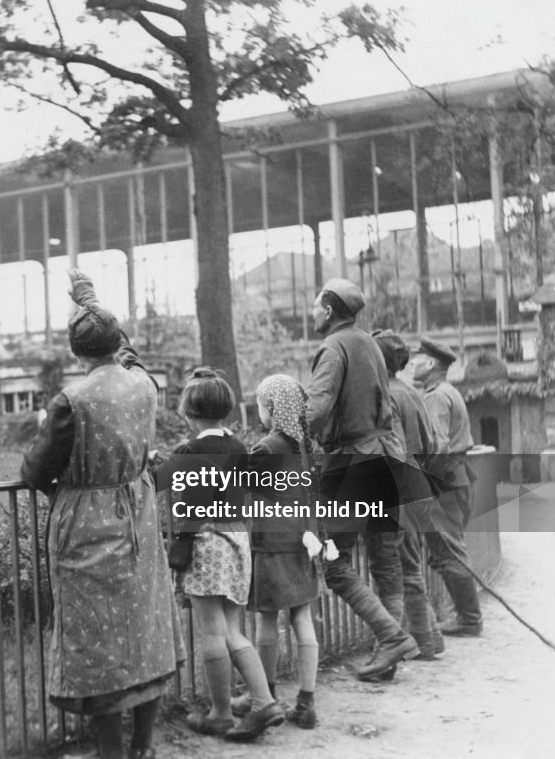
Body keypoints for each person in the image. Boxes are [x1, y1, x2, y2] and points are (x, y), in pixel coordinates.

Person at [21, 269, 183, 759]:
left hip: (88, 524)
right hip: (139, 513)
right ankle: (143, 748)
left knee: (98, 636)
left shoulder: (70, 401)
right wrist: (89, 298)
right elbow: (126, 349)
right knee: (145, 627)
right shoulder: (144, 384)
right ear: (115, 345)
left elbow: (34, 470)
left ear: (76, 353)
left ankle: (112, 752)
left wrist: (42, 429)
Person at [306, 278, 419, 680]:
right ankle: (387, 657)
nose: (312, 312)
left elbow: (316, 408)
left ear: (330, 312)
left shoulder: (334, 347)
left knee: (335, 564)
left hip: (355, 461)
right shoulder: (370, 344)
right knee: (387, 564)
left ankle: (392, 638)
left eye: (316, 306)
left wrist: (286, 434)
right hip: (386, 458)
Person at [167, 368, 285, 741]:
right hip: (237, 542)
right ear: (227, 410)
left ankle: (220, 713)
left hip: (207, 542)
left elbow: (170, 485)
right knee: (233, 630)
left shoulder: (188, 452)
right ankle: (264, 699)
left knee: (212, 634)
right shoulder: (238, 447)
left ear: (189, 411)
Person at [248, 374, 323, 729]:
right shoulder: (303, 447)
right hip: (301, 542)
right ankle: (306, 703)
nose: (259, 412)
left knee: (267, 618)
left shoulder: (267, 448)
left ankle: (268, 698)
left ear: (273, 409)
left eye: (260, 405)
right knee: (301, 619)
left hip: (272, 544)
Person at [372, 329, 445, 663]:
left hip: (400, 483)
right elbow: (432, 444)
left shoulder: (385, 395)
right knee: (411, 562)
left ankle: (425, 643)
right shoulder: (412, 392)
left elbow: (395, 448)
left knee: (405, 567)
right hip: (418, 479)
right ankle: (432, 638)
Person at [409, 335, 484, 637]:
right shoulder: (448, 391)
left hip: (444, 478)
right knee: (448, 547)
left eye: (418, 359)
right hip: (456, 476)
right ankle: (467, 615)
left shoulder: (436, 397)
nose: (413, 363)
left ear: (430, 364)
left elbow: (436, 446)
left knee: (448, 550)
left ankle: (469, 619)